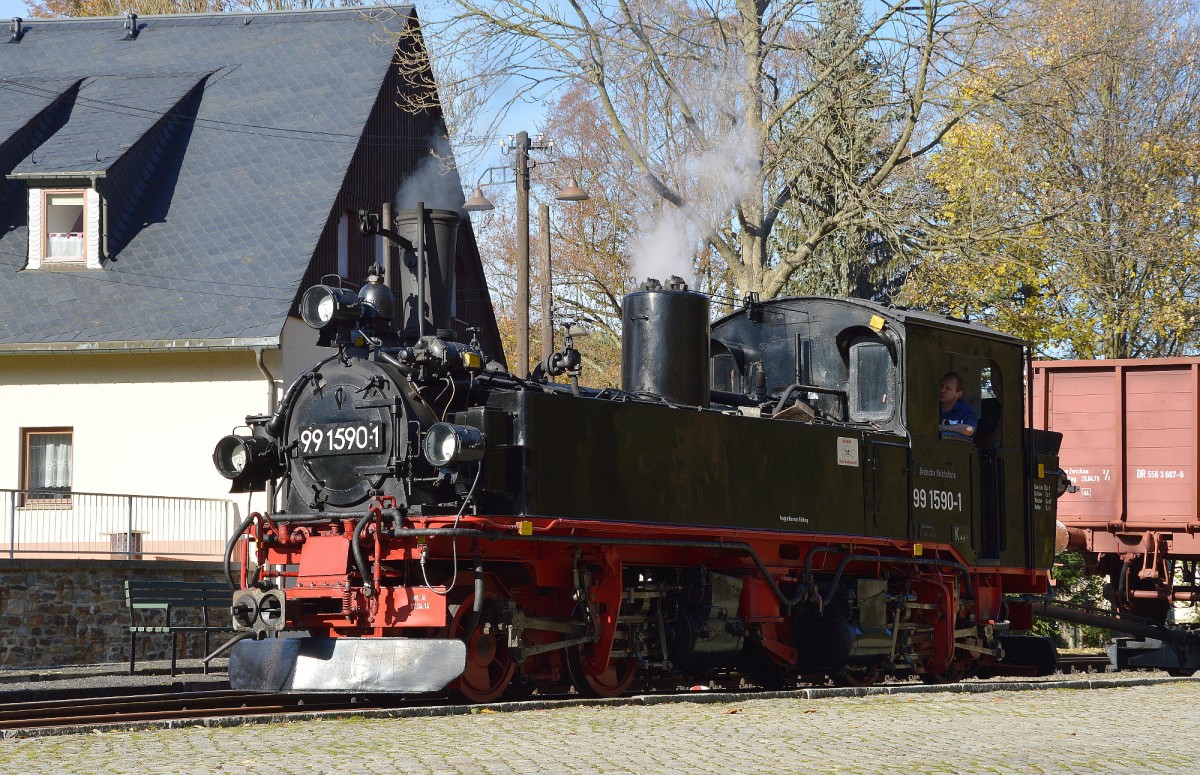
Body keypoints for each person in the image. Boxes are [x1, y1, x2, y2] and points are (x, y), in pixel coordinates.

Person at [938, 372, 977, 437]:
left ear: (958, 394)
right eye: (941, 386)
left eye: (948, 388)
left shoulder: (964, 408)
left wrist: (944, 428)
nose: (942, 390)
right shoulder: (931, 405)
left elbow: (969, 430)